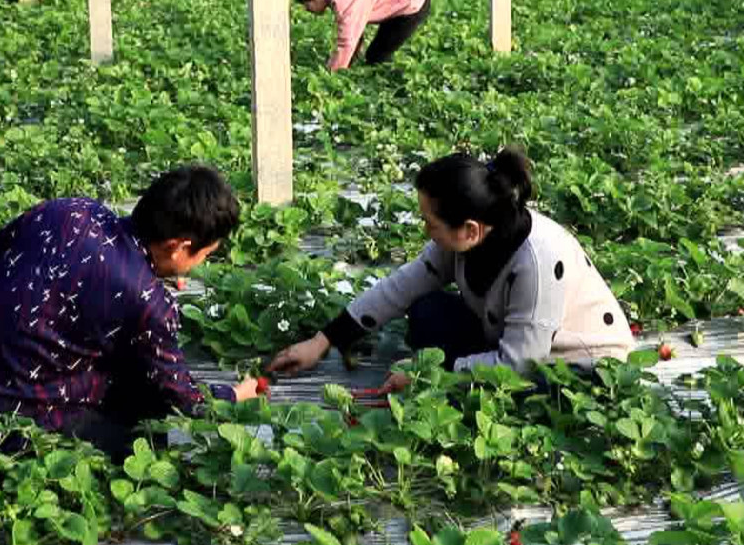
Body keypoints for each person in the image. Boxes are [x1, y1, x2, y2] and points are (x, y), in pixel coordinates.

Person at [0, 165, 263, 457]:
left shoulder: (70, 210)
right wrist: (234, 394)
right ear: (179, 248)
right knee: (146, 428)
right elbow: (184, 401)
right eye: (205, 254)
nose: (198, 265)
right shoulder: (146, 300)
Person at [267, 149, 634, 391]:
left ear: (470, 229)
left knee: (522, 391)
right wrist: (323, 341)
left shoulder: (537, 262)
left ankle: (461, 374)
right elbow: (402, 286)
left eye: (431, 223)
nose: (426, 231)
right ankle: (465, 368)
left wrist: (430, 375)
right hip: (510, 338)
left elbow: (521, 364)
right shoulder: (471, 235)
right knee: (426, 312)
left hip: (577, 363)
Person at [294, 0, 430, 71]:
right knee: (375, 53)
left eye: (307, 4)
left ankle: (387, 90)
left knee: (377, 57)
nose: (307, 9)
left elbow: (346, 44)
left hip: (413, 0)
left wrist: (330, 75)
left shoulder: (346, 0)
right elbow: (355, 36)